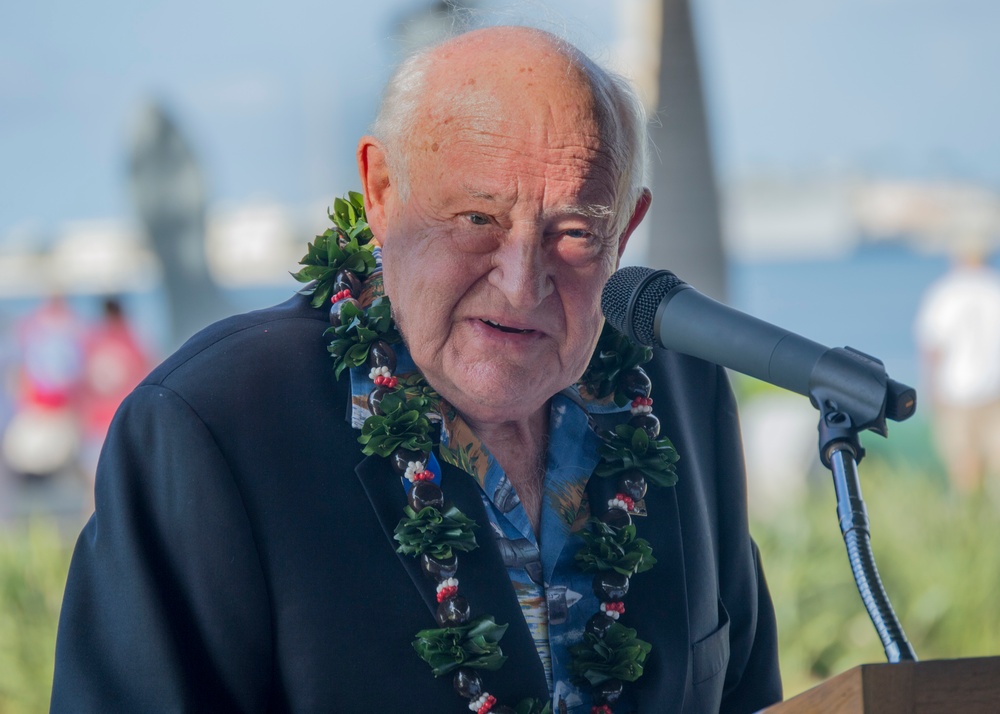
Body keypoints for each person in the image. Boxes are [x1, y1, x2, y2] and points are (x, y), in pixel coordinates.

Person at [51, 26, 781, 713]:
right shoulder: (211, 426)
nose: (522, 282)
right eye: (477, 219)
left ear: (624, 229)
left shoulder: (680, 391)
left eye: (574, 232)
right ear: (382, 192)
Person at [914, 239, 1000, 495]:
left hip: (956, 390)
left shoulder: (944, 292)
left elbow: (932, 347)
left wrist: (930, 390)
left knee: (963, 468)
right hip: (994, 388)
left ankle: (969, 525)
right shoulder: (994, 287)